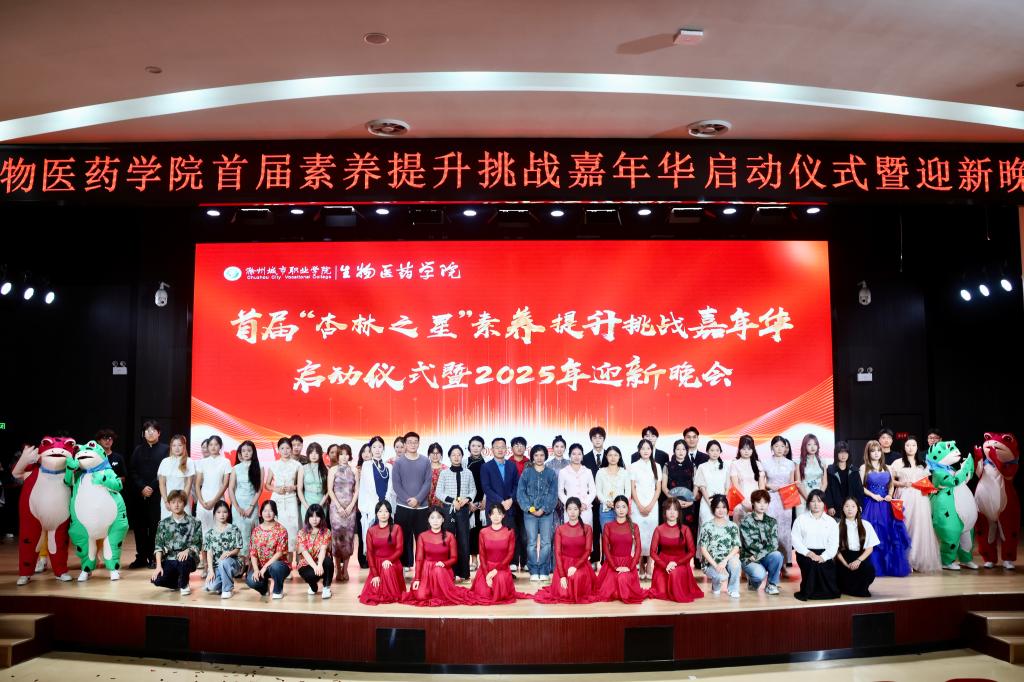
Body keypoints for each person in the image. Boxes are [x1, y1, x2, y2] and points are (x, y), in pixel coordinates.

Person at [401, 507, 474, 606]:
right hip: (426, 571)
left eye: (438, 517)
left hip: (443, 570)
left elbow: (454, 558)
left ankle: (442, 590)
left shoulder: (449, 536)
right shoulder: (422, 536)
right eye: (432, 517)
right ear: (428, 520)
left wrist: (444, 563)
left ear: (443, 519)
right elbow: (419, 559)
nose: (435, 520)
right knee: (421, 596)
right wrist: (417, 578)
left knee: (438, 572)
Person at [860, 440, 911, 577]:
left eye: (878, 450)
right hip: (871, 504)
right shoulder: (864, 468)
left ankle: (888, 567)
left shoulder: (888, 467)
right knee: (873, 533)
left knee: (889, 533)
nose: (876, 453)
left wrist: (889, 495)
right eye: (873, 451)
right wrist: (873, 495)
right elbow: (861, 487)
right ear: (868, 453)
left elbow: (891, 485)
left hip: (886, 505)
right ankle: (874, 567)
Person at [532, 497, 598, 604]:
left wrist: (576, 567)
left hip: (580, 564)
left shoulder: (587, 529)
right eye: (570, 509)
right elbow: (557, 553)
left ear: (580, 510)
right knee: (564, 592)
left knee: (576, 580)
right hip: (563, 565)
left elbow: (587, 551)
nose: (572, 512)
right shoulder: (560, 529)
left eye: (575, 509)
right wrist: (562, 575)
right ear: (566, 510)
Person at [890, 435, 941, 572]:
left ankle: (918, 559)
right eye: (908, 445)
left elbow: (926, 482)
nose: (910, 448)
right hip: (904, 496)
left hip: (920, 499)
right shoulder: (897, 462)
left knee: (920, 527)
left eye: (913, 445)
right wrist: (902, 484)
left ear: (917, 447)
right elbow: (891, 481)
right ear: (904, 447)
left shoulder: (923, 463)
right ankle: (905, 560)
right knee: (905, 525)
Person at [130, 419, 170, 569]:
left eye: (153, 430)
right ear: (143, 433)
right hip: (140, 495)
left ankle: (154, 557)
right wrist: (142, 487)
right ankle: (141, 557)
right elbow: (132, 471)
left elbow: (164, 472)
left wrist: (151, 487)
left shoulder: (166, 449)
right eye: (147, 430)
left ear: (159, 433)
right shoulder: (138, 450)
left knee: (155, 527)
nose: (150, 433)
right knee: (139, 527)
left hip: (157, 494)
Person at [470, 504, 529, 603]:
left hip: (502, 568)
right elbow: (482, 556)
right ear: (489, 516)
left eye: (499, 513)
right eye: (493, 514)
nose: (496, 516)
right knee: (484, 593)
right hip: (486, 568)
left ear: (503, 515)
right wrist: (487, 575)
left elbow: (510, 555)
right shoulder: (483, 532)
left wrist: (495, 570)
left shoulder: (509, 532)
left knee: (499, 584)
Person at [593, 495, 647, 603]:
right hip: (612, 564)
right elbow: (606, 548)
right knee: (609, 591)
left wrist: (631, 567)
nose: (621, 510)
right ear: (614, 508)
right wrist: (614, 567)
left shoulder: (634, 526)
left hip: (628, 564)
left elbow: (638, 548)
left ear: (628, 508)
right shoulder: (608, 526)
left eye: (623, 507)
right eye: (618, 507)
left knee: (624, 584)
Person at [648, 498, 703, 603]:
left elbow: (692, 551)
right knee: (661, 592)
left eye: (675, 509)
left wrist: (676, 563)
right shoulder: (659, 529)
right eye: (669, 509)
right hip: (662, 563)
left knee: (675, 574)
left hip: (681, 562)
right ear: (665, 512)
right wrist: (665, 565)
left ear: (679, 512)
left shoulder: (685, 529)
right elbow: (652, 552)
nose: (672, 512)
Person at [517, 444, 559, 581]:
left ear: (545, 456)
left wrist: (543, 509)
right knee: (531, 543)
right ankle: (534, 570)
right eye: (536, 455)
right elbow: (521, 493)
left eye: (542, 455)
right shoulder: (526, 473)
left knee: (546, 542)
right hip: (530, 514)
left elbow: (553, 494)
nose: (539, 458)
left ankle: (544, 570)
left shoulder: (551, 473)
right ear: (532, 457)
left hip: (547, 514)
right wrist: (530, 509)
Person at [436, 444, 477, 581]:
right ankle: (449, 572)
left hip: (464, 510)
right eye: (453, 454)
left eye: (459, 454)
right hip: (448, 510)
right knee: (448, 540)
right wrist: (452, 501)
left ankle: (464, 573)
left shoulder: (468, 473)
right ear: (449, 457)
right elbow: (438, 492)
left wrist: (467, 499)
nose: (456, 457)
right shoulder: (444, 473)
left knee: (463, 541)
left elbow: (473, 490)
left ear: (462, 456)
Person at [150, 490, 202, 595]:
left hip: (187, 559)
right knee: (157, 580)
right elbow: (158, 546)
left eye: (179, 502)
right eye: (173, 502)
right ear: (169, 504)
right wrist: (158, 566)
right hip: (170, 559)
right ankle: (177, 582)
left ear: (184, 503)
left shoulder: (195, 522)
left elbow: (197, 544)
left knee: (183, 560)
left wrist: (187, 551)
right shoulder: (163, 524)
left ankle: (184, 584)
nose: (176, 505)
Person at [792, 489, 840, 601]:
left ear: (824, 503)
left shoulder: (831, 521)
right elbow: (795, 540)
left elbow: (834, 544)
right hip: (805, 553)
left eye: (819, 501)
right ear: (808, 503)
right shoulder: (801, 519)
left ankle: (824, 592)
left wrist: (823, 557)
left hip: (825, 553)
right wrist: (808, 553)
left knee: (824, 570)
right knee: (813, 565)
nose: (816, 504)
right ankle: (808, 592)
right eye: (813, 501)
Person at [392, 432, 430, 570]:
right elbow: (396, 485)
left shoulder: (425, 461)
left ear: (419, 444)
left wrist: (418, 499)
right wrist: (409, 500)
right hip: (403, 506)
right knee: (402, 538)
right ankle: (404, 565)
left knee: (422, 538)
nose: (413, 444)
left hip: (422, 507)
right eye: (410, 442)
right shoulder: (398, 462)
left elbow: (427, 483)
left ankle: (422, 566)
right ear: (405, 444)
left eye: (415, 442)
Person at [480, 437, 521, 568]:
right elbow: (486, 487)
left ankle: (512, 563)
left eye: (502, 447)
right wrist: (501, 502)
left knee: (510, 534)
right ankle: (492, 564)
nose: (500, 450)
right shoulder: (486, 467)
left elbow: (517, 485)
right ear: (492, 449)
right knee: (493, 537)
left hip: (510, 506)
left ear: (506, 449)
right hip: (493, 508)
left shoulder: (512, 465)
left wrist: (511, 499)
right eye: (497, 447)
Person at [359, 501, 406, 605]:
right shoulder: (371, 531)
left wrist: (389, 560)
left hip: (393, 562)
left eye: (386, 511)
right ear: (376, 513)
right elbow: (370, 553)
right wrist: (375, 574)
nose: (383, 514)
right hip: (377, 565)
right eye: (380, 511)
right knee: (373, 593)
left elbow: (399, 550)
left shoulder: (397, 528)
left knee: (387, 569)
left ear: (390, 513)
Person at [558, 443, 596, 569]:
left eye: (579, 454)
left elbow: (593, 491)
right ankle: (570, 563)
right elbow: (560, 492)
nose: (576, 456)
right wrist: (569, 505)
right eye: (573, 454)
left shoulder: (588, 471)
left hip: (585, 509)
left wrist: (585, 503)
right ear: (569, 455)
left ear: (582, 456)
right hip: (570, 510)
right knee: (571, 536)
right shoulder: (563, 472)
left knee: (586, 535)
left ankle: (586, 563)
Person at [264, 437, 301, 565]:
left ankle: (291, 564)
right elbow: (267, 484)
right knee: (277, 530)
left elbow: (300, 484)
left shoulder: (297, 465)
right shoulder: (274, 465)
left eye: (288, 448)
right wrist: (276, 489)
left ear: (291, 449)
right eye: (282, 448)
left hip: (291, 499)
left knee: (292, 530)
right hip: (277, 499)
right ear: (278, 450)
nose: (285, 451)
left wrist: (293, 487)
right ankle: (279, 563)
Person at [358, 437, 393, 570]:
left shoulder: (389, 466)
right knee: (374, 538)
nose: (377, 450)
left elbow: (391, 487)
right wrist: (375, 504)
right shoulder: (366, 465)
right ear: (371, 449)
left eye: (380, 447)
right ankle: (374, 568)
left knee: (386, 538)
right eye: (374, 447)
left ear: (383, 448)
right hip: (373, 507)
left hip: (386, 506)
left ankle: (386, 566)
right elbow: (365, 488)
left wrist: (386, 502)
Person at [739, 490, 783, 594]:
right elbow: (750, 545)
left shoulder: (772, 521)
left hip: (759, 556)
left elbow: (774, 544)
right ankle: (753, 582)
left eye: (765, 502)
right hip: (749, 558)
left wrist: (759, 555)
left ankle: (771, 585)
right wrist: (761, 553)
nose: (762, 505)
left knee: (777, 555)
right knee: (759, 575)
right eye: (759, 502)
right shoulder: (745, 522)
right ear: (753, 503)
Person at [763, 435, 798, 565]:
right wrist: (769, 486)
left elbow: (791, 483)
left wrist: (791, 498)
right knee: (770, 527)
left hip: (786, 498)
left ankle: (786, 558)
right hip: (771, 497)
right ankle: (771, 557)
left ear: (785, 448)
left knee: (785, 528)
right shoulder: (765, 462)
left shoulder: (790, 464)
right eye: (776, 446)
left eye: (782, 446)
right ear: (772, 447)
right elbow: (762, 483)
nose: (779, 449)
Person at [698, 494, 742, 598]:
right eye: (718, 507)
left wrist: (725, 561)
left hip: (726, 560)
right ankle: (716, 585)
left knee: (736, 563)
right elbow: (703, 549)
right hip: (711, 563)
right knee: (721, 576)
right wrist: (716, 565)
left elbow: (736, 547)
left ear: (727, 509)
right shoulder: (706, 526)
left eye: (724, 507)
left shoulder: (733, 526)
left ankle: (733, 589)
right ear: (713, 508)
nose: (721, 510)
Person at [246, 500, 291, 599]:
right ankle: (264, 588)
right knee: (250, 580)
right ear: (261, 512)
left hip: (279, 566)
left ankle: (278, 590)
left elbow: (279, 553)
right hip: (261, 567)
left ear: (275, 512)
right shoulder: (256, 531)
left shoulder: (281, 530)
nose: (268, 513)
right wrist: (256, 570)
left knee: (276, 567)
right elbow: (253, 553)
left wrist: (265, 567)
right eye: (265, 511)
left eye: (271, 511)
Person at [195, 435, 232, 556]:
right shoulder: (202, 462)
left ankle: (217, 560)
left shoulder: (225, 461)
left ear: (220, 446)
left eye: (216, 444)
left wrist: (214, 501)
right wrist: (201, 501)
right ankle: (204, 561)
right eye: (210, 444)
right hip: (203, 500)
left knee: (218, 530)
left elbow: (225, 484)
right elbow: (197, 484)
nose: (213, 447)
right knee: (203, 531)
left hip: (218, 500)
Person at [835, 497, 879, 597]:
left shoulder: (866, 525)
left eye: (853, 506)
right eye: (847, 506)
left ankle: (859, 588)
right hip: (843, 559)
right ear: (843, 509)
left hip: (860, 557)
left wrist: (858, 561)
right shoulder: (837, 526)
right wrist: (845, 564)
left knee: (869, 570)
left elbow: (870, 548)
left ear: (858, 509)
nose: (850, 509)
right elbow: (836, 550)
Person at [326, 443, 358, 582]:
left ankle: (345, 569)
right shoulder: (332, 470)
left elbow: (356, 490)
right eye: (341, 454)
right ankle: (337, 570)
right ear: (337, 456)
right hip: (336, 509)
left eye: (346, 454)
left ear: (349, 456)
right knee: (337, 539)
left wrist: (351, 506)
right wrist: (339, 507)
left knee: (348, 539)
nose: (344, 457)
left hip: (350, 508)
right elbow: (330, 490)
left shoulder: (354, 470)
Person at [631, 439, 662, 580]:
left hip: (652, 505)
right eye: (643, 448)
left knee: (651, 535)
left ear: (651, 450)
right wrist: (639, 505)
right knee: (638, 536)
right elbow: (632, 488)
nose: (645, 451)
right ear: (639, 450)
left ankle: (649, 564)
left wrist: (650, 505)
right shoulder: (633, 466)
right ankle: (640, 564)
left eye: (648, 448)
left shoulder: (657, 466)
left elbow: (658, 489)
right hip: (637, 505)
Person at [663, 438, 703, 545]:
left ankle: (689, 554)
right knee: (672, 530)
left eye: (683, 449)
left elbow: (696, 485)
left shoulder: (692, 466)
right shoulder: (667, 465)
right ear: (674, 451)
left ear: (687, 451)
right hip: (672, 504)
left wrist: (691, 501)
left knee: (688, 531)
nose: (681, 452)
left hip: (688, 503)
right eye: (678, 449)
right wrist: (674, 501)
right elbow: (664, 487)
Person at [229, 439, 261, 570]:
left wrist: (251, 507)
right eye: (243, 451)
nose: (246, 453)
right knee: (239, 533)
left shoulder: (259, 467)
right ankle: (241, 564)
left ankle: (251, 565)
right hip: (238, 505)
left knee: (252, 534)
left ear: (253, 452)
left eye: (249, 450)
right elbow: (231, 489)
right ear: (240, 453)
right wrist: (237, 507)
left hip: (252, 505)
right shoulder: (235, 468)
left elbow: (259, 490)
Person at [202, 500, 242, 599]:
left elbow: (237, 549)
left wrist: (229, 553)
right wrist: (211, 571)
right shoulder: (210, 533)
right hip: (217, 566)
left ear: (228, 513)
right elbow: (209, 553)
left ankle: (227, 589)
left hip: (232, 563)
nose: (222, 515)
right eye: (219, 512)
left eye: (225, 512)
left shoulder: (234, 529)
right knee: (211, 586)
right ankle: (223, 584)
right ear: (214, 514)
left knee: (224, 562)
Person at [582, 426, 608, 563]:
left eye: (600, 437)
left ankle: (606, 560)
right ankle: (594, 558)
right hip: (590, 501)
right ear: (591, 439)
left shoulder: (611, 455)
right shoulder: (585, 458)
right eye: (594, 437)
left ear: (604, 439)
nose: (597, 440)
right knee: (593, 530)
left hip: (608, 501)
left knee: (607, 531)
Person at [296, 504, 334, 598]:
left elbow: (323, 549)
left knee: (328, 561)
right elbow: (304, 553)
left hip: (321, 561)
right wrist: (315, 567)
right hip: (307, 563)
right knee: (310, 575)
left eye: (317, 516)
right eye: (311, 516)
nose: (314, 519)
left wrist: (319, 565)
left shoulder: (326, 532)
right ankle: (313, 586)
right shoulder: (301, 532)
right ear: (308, 518)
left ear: (321, 517)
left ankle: (326, 588)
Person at [158, 434, 196, 521]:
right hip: (167, 502)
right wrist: (166, 501)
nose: (177, 448)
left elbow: (188, 484)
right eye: (174, 445)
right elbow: (162, 484)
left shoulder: (189, 461)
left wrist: (182, 501)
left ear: (184, 446)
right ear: (171, 447)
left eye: (180, 445)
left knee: (184, 525)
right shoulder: (165, 462)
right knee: (167, 525)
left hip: (183, 501)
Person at [729, 434, 764, 523]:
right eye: (744, 449)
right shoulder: (735, 464)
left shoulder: (758, 464)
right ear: (739, 449)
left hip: (757, 502)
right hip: (741, 501)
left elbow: (761, 487)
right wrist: (744, 502)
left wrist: (760, 503)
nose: (746, 451)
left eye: (749, 449)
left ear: (753, 449)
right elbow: (735, 486)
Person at [694, 440, 729, 528]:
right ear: (707, 451)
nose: (715, 453)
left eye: (717, 450)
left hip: (722, 504)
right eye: (712, 450)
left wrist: (721, 502)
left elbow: (727, 487)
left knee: (722, 528)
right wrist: (711, 504)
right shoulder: (702, 467)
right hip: (707, 503)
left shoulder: (725, 467)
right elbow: (702, 488)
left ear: (720, 452)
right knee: (706, 527)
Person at [595, 446, 631, 530]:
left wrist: (620, 503)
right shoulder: (600, 472)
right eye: (610, 455)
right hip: (606, 509)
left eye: (615, 455)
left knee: (621, 534)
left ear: (619, 456)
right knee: (606, 534)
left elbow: (628, 491)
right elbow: (598, 491)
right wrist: (606, 502)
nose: (613, 458)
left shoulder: (624, 472)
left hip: (621, 509)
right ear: (606, 456)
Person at [824, 442, 863, 515]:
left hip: (851, 507)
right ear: (836, 454)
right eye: (841, 452)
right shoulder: (830, 470)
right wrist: (830, 506)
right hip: (836, 508)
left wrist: (859, 504)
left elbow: (859, 490)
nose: (843, 455)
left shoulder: (854, 470)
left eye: (846, 452)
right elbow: (828, 490)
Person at [466, 435, 486, 571]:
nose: (476, 448)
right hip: (468, 503)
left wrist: (485, 500)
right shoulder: (463, 462)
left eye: (479, 446)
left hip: (483, 502)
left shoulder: (487, 463)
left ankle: (484, 561)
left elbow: (488, 483)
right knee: (471, 532)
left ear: (483, 448)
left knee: (482, 532)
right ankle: (473, 560)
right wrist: (468, 502)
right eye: (473, 445)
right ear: (469, 447)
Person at [797, 434, 827, 516]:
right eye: (809, 444)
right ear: (804, 446)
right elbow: (798, 483)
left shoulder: (822, 461)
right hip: (803, 496)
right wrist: (809, 499)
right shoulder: (798, 461)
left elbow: (824, 483)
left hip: (818, 497)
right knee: (803, 521)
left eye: (815, 444)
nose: (813, 447)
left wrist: (818, 497)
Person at [298, 442, 329, 519]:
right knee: (307, 525)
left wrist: (320, 505)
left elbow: (328, 490)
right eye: (311, 453)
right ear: (308, 454)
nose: (313, 455)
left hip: (321, 502)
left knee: (321, 525)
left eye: (316, 453)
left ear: (320, 454)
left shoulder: (326, 469)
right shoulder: (303, 468)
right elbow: (299, 489)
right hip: (306, 503)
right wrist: (306, 506)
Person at [545, 435, 570, 525]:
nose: (559, 449)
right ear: (552, 448)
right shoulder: (547, 465)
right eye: (557, 446)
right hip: (552, 499)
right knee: (554, 525)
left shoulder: (570, 464)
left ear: (565, 449)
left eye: (562, 447)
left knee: (568, 524)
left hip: (568, 498)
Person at [426, 442, 448, 508]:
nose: (435, 455)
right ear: (429, 454)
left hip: (442, 504)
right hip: (426, 503)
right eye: (433, 453)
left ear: (441, 454)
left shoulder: (446, 469)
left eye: (437, 453)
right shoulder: (424, 468)